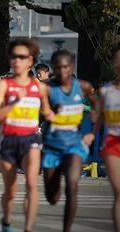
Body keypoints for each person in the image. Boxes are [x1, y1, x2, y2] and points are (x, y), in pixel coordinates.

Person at [0, 38, 53, 232]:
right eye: (13, 57)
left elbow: (48, 112)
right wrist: (13, 103)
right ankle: (7, 222)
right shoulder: (4, 85)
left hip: (31, 139)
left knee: (32, 185)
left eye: (22, 57)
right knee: (11, 191)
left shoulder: (40, 88)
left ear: (31, 61)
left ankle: (28, 228)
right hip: (9, 140)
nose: (16, 61)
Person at [41, 49, 98, 232]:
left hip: (73, 144)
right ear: (53, 70)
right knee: (52, 197)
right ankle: (53, 184)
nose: (61, 72)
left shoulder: (83, 87)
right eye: (57, 68)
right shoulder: (47, 88)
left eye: (65, 67)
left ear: (71, 67)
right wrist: (49, 112)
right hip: (52, 146)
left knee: (72, 185)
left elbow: (97, 106)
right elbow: (40, 112)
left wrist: (93, 128)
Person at [84, 45, 120, 232]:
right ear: (113, 63)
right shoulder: (106, 91)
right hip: (113, 143)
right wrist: (91, 133)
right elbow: (102, 117)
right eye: (117, 60)